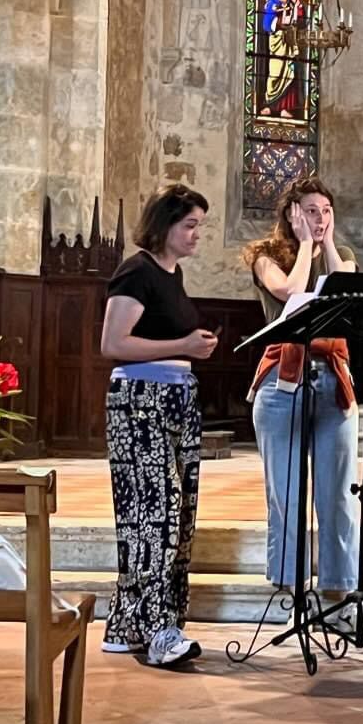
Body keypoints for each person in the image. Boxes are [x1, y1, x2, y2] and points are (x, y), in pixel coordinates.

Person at [98, 184, 215, 668]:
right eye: (189, 225)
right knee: (153, 514)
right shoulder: (137, 270)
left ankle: (125, 624)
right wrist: (183, 346)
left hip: (176, 400)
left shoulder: (172, 274)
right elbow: (113, 343)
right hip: (140, 403)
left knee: (175, 514)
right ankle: (157, 630)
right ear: (164, 224)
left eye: (199, 226)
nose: (196, 235)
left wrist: (190, 349)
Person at [244, 175, 361, 612]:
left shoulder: (341, 254)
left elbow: (343, 286)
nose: (320, 218)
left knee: (338, 494)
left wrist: (325, 245)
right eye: (311, 211)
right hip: (282, 382)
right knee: (287, 493)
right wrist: (305, 245)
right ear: (292, 214)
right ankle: (291, 591)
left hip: (333, 379)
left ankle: (337, 591)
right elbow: (291, 292)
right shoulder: (265, 256)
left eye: (326, 211)